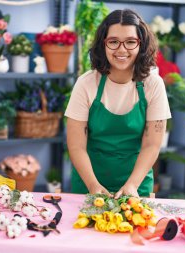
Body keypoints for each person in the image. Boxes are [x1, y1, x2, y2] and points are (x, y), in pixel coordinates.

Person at [65, 9, 171, 198]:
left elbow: (152, 145)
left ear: (142, 44)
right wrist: (93, 185)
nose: (122, 50)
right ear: (103, 45)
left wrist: (132, 185)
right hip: (89, 183)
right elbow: (76, 146)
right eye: (113, 42)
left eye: (131, 42)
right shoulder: (86, 83)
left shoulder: (153, 85)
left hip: (136, 185)